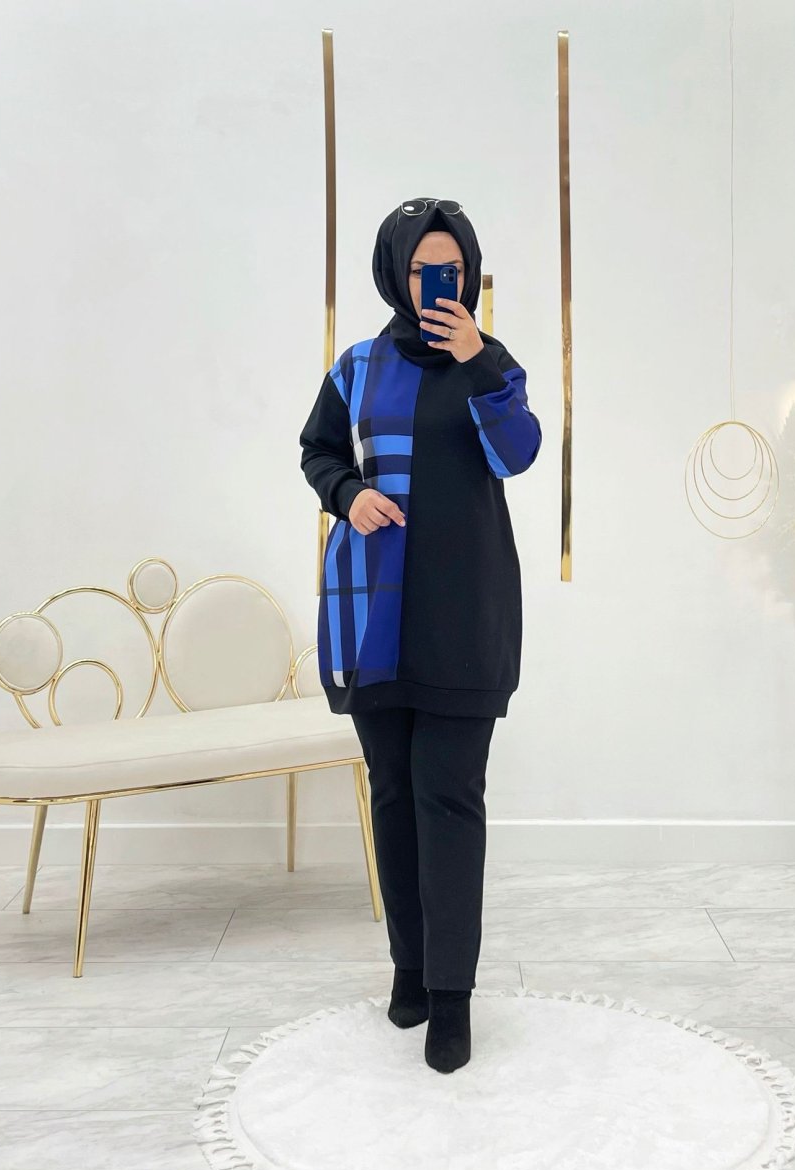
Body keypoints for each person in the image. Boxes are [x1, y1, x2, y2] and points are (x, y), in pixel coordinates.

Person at [298, 197, 542, 1073]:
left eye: (453, 270)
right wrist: (348, 495)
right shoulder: (358, 367)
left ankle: (452, 997)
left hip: (464, 615)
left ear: (468, 275)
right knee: (394, 797)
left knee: (450, 800)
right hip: (375, 615)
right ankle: (408, 970)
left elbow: (517, 453)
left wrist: (478, 361)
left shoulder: (492, 364)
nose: (438, 283)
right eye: (421, 269)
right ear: (395, 275)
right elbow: (318, 451)